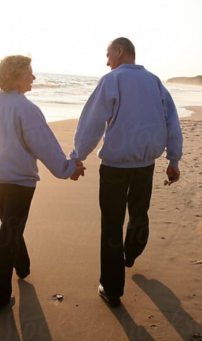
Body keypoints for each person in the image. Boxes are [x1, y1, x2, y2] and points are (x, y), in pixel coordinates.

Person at [69, 37, 183, 307]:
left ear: (120, 51)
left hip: (115, 168)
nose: (106, 60)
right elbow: (171, 122)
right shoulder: (155, 82)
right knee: (139, 213)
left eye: (108, 54)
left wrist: (76, 157)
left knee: (111, 225)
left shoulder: (112, 80)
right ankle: (130, 254)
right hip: (145, 166)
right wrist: (174, 159)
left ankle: (112, 288)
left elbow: (92, 122)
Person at [0, 55, 85, 310]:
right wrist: (68, 169)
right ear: (17, 76)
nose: (33, 77)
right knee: (8, 235)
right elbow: (45, 146)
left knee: (10, 228)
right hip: (19, 183)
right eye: (30, 73)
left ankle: (23, 267)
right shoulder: (25, 108)